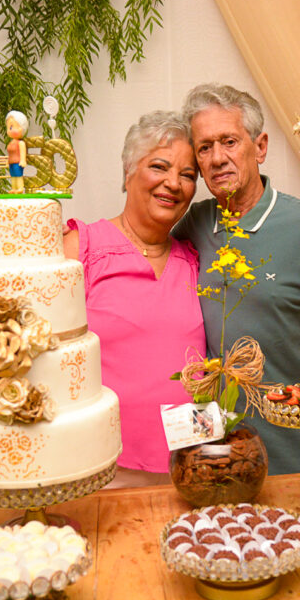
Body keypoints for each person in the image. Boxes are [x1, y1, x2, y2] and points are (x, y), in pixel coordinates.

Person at [174, 83, 300, 475]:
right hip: (215, 448)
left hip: (299, 441)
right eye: (204, 147)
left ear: (259, 147)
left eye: (229, 141)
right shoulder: (194, 224)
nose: (217, 158)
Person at [64, 111, 204, 488]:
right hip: (104, 467)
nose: (173, 183)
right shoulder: (82, 247)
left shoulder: (196, 258)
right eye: (159, 166)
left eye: (188, 175)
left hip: (191, 463)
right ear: (129, 173)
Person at [5, 110, 29, 193]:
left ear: (21, 128)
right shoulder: (11, 142)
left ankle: (20, 188)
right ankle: (14, 188)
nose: (9, 130)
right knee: (13, 175)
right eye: (8, 128)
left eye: (11, 127)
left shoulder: (21, 143)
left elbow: (23, 153)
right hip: (11, 162)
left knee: (18, 175)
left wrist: (23, 160)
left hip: (17, 162)